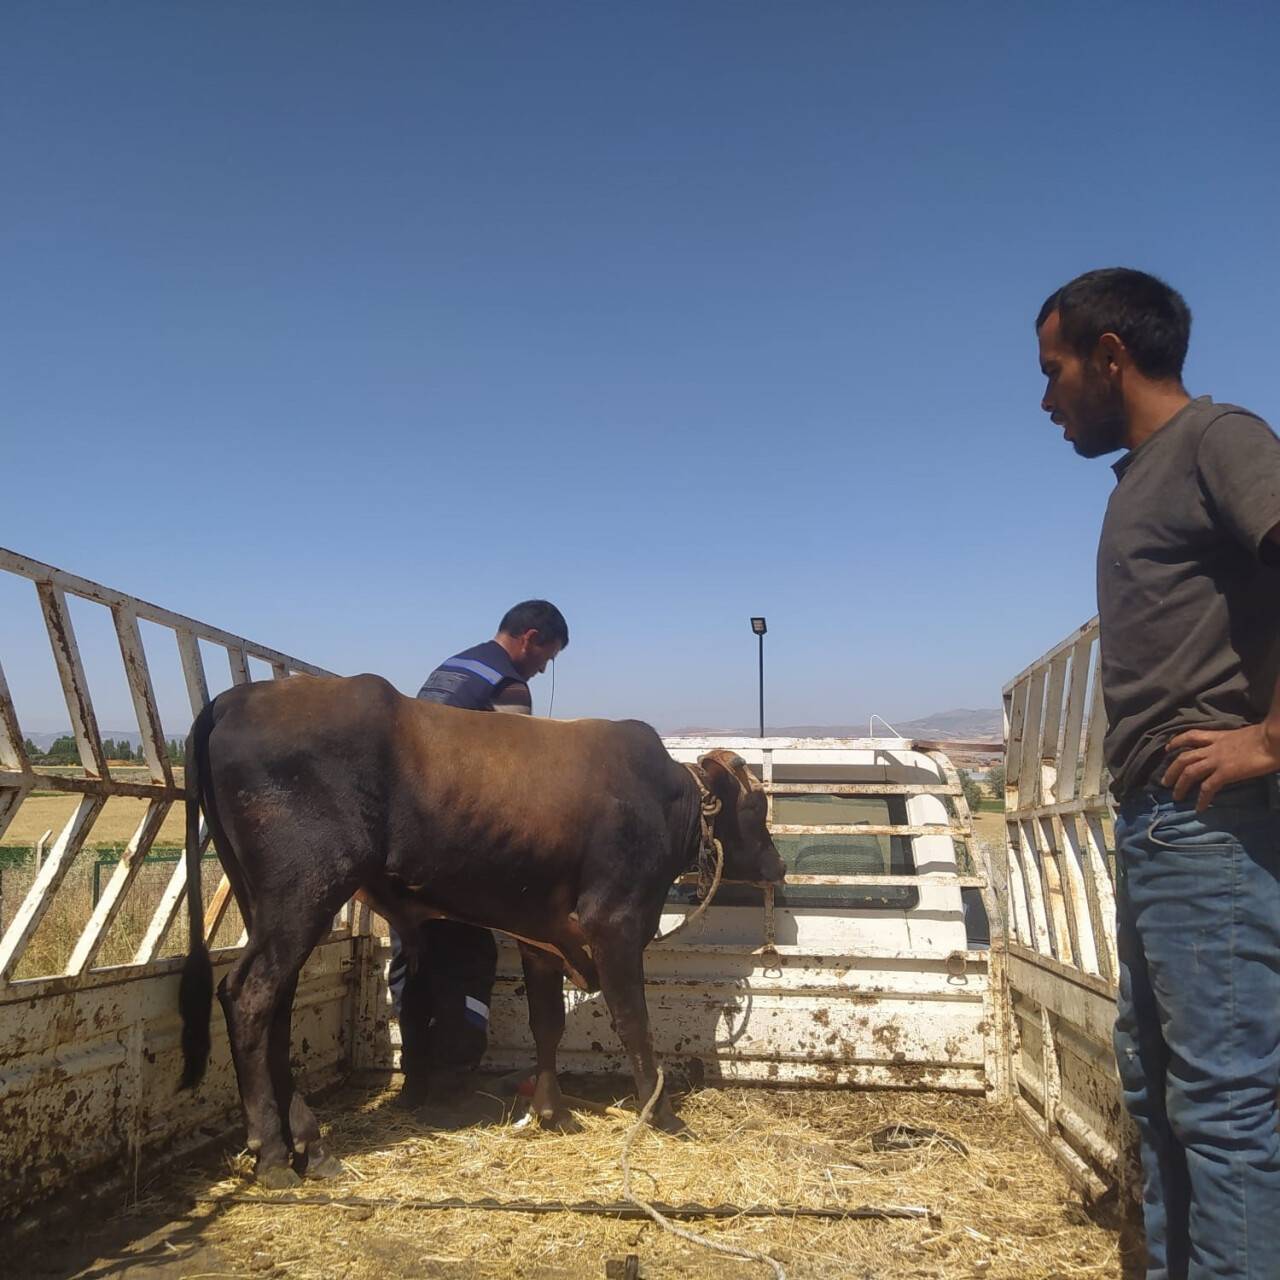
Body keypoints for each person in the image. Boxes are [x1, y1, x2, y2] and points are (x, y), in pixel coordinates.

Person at [1036, 267, 1280, 1280]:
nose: (1044, 399)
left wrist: (1270, 738)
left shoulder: (1219, 440)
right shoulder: (1145, 475)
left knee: (1221, 1104)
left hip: (1212, 821)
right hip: (1159, 822)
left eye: (1051, 370)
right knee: (1156, 1087)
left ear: (1109, 356)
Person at [389, 599, 569, 1113]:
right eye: (547, 656)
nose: (542, 669)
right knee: (467, 961)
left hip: (405, 851)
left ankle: (414, 1085)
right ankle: (450, 1090)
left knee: (414, 962)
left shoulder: (451, 669)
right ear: (530, 638)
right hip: (453, 852)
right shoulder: (508, 686)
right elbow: (513, 783)